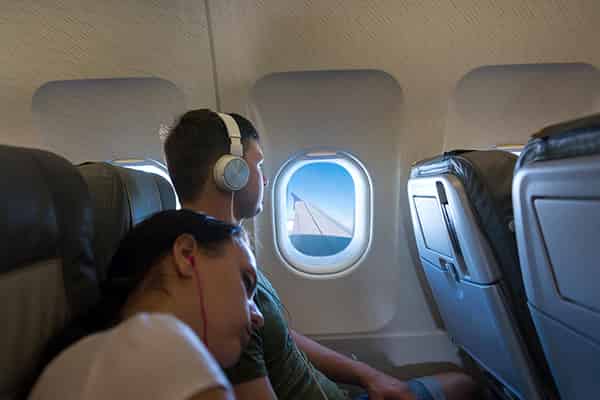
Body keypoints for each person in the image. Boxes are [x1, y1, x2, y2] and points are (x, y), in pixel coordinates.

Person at [164, 109, 479, 400]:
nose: (265, 178)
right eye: (257, 164)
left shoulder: (226, 253)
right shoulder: (215, 283)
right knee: (466, 387)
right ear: (231, 172)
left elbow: (280, 334)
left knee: (464, 384)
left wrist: (369, 375)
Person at [29, 210, 264, 400]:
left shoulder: (85, 358)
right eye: (246, 282)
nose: (258, 317)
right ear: (186, 254)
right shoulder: (162, 343)